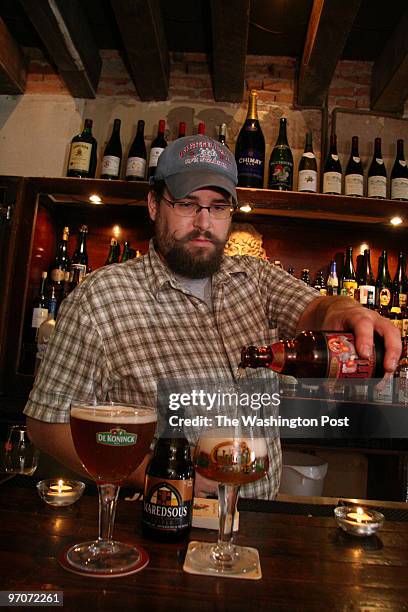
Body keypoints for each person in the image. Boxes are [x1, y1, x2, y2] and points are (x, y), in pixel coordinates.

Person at [25, 134, 401, 499]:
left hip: (257, 526)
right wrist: (148, 474)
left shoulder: (255, 278)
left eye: (219, 208)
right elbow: (46, 424)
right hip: (166, 519)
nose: (204, 223)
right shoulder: (100, 297)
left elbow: (316, 309)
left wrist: (346, 310)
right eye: (187, 204)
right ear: (154, 204)